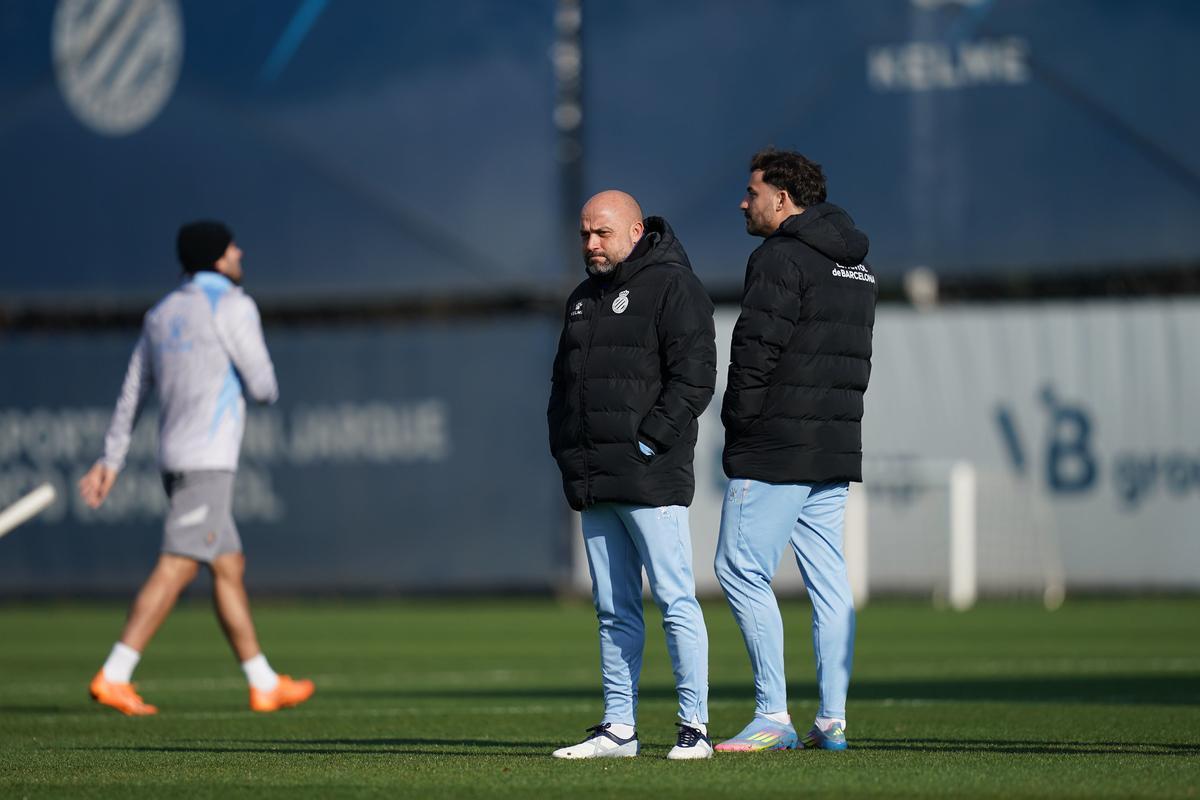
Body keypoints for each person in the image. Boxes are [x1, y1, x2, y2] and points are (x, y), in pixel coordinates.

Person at [79, 220, 314, 716]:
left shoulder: (161, 312)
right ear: (216, 256)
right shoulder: (233, 305)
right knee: (179, 564)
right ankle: (115, 673)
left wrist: (111, 460)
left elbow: (131, 393)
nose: (240, 252)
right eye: (232, 246)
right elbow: (264, 385)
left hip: (175, 457)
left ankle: (262, 681)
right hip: (208, 459)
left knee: (228, 565)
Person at [713, 149, 876, 752]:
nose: (743, 201)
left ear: (782, 199)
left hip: (778, 444)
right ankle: (832, 719)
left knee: (738, 568)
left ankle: (772, 716)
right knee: (830, 581)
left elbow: (756, 351)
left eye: (752, 191)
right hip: (833, 443)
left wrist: (738, 426)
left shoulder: (778, 257)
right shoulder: (858, 266)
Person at [547, 191, 717, 760]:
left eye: (602, 233)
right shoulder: (580, 300)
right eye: (584, 235)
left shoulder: (674, 286)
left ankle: (694, 729)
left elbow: (694, 378)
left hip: (650, 477)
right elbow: (561, 390)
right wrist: (568, 451)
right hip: (596, 479)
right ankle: (619, 729)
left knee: (674, 600)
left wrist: (647, 442)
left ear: (637, 230)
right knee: (613, 608)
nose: (591, 244)